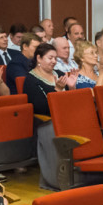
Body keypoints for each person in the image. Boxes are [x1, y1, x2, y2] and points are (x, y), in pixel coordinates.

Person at [24, 43, 70, 189]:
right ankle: (57, 179)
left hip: (64, 116)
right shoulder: (31, 80)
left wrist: (72, 87)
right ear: (39, 58)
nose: (54, 61)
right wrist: (57, 90)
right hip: (44, 121)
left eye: (55, 58)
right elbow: (41, 107)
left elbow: (70, 99)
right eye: (50, 58)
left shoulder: (60, 75)